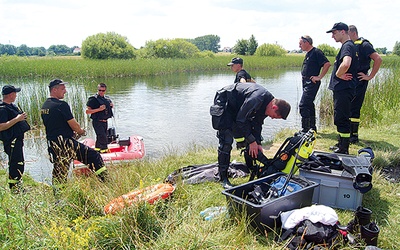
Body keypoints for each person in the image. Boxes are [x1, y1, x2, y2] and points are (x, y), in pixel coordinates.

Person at [211, 82, 291, 188]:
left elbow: (257, 123)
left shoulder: (267, 104)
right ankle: (223, 178)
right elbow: (240, 120)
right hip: (225, 103)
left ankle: (253, 169)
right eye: (275, 117)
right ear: (274, 107)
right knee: (226, 141)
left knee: (250, 140)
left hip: (238, 108)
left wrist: (257, 142)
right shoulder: (256, 98)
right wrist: (251, 140)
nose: (272, 118)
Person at [41, 79, 107, 184]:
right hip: (66, 143)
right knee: (94, 156)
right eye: (63, 89)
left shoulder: (45, 106)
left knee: (60, 169)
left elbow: (55, 125)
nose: (65, 91)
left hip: (53, 144)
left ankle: (57, 195)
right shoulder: (61, 105)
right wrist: (81, 131)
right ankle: (106, 182)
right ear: (54, 89)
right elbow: (74, 125)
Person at [326, 22, 358, 154]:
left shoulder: (347, 46)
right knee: (341, 117)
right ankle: (341, 144)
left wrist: (339, 75)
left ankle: (344, 149)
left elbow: (346, 63)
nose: (332, 36)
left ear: (343, 32)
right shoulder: (349, 46)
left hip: (344, 89)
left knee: (341, 118)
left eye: (334, 33)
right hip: (344, 89)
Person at [348, 25, 382, 143]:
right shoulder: (351, 45)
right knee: (348, 107)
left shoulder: (364, 44)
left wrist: (370, 76)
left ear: (352, 33)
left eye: (347, 34)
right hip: (351, 80)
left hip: (360, 80)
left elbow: (378, 59)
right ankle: (348, 134)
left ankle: (354, 135)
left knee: (354, 108)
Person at [0, 85, 30, 193]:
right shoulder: (2, 109)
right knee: (15, 165)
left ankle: (17, 186)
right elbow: (1, 126)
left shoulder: (11, 106)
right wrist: (17, 119)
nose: (16, 95)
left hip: (17, 140)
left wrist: (21, 117)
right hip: (11, 141)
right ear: (11, 94)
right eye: (15, 93)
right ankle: (15, 189)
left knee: (18, 163)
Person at [299, 35, 331, 132]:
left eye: (300, 44)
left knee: (303, 105)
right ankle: (312, 128)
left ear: (307, 42)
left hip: (311, 82)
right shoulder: (308, 53)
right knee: (309, 105)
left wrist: (319, 77)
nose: (299, 46)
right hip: (305, 81)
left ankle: (305, 129)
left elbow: (327, 64)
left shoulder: (316, 52)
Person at [86, 83, 114, 152]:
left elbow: (108, 109)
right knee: (103, 137)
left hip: (105, 121)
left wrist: (111, 106)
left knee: (100, 137)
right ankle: (104, 151)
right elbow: (87, 111)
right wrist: (99, 109)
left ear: (105, 90)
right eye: (99, 90)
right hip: (97, 121)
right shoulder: (93, 99)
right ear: (97, 90)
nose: (101, 92)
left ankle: (97, 150)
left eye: (103, 90)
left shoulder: (107, 99)